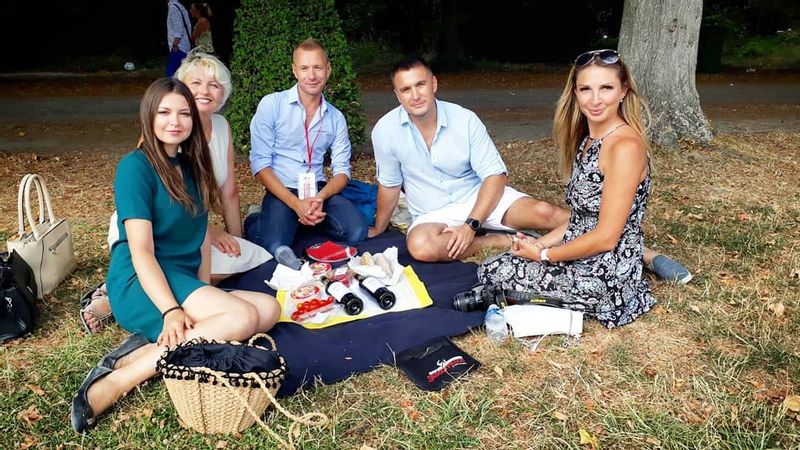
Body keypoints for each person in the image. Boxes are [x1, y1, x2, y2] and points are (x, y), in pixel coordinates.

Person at [70, 78, 280, 433]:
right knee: (242, 318)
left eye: (184, 113)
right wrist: (172, 310)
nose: (175, 121)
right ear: (149, 116)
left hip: (180, 277)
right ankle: (120, 379)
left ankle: (143, 351)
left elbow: (200, 241)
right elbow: (140, 250)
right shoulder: (135, 168)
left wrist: (203, 295)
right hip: (140, 280)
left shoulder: (193, 167)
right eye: (164, 112)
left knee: (268, 310)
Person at [370, 57, 692, 283]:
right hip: (432, 213)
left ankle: (643, 254)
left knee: (551, 213)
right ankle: (501, 242)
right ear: (396, 94)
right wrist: (377, 229)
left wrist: (471, 223)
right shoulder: (385, 131)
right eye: (405, 89)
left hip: (480, 198)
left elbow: (495, 176)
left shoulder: (464, 119)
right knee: (422, 247)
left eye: (420, 85)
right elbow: (388, 185)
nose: (415, 95)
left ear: (434, 84)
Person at [79, 53, 271, 334]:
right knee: (240, 316)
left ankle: (199, 310)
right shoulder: (143, 159)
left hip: (190, 238)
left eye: (214, 84)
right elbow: (156, 205)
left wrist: (230, 237)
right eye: (196, 83)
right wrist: (171, 311)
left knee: (263, 298)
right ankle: (120, 356)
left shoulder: (197, 155)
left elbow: (226, 193)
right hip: (153, 236)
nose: (205, 91)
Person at [478, 49, 657, 327]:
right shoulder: (589, 140)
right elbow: (582, 220)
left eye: (606, 88)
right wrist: (539, 243)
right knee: (496, 267)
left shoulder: (624, 147)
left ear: (623, 91)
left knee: (496, 273)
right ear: (575, 92)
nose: (595, 100)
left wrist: (545, 255)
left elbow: (607, 237)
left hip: (607, 274)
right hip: (583, 254)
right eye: (586, 89)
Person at [247, 38, 367, 269]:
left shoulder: (336, 117)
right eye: (304, 68)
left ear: (328, 69)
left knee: (357, 230)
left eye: (317, 67)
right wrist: (294, 203)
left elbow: (342, 171)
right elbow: (260, 164)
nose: (311, 76)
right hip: (283, 190)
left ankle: (301, 220)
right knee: (276, 245)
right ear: (294, 70)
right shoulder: (272, 105)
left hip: (319, 190)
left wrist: (319, 199)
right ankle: (257, 220)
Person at [166, 0, 192, 77]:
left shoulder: (173, 8)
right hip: (183, 46)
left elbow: (178, 30)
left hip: (179, 47)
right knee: (181, 75)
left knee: (172, 76)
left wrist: (174, 46)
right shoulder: (180, 6)